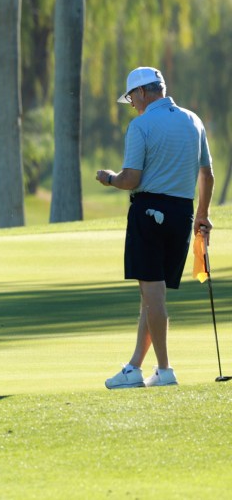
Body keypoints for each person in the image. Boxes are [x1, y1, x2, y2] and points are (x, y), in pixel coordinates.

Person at [96, 66, 213, 388]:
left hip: (148, 211)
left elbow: (131, 179)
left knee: (153, 294)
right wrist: (202, 214)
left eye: (132, 96)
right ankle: (134, 367)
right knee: (152, 296)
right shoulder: (194, 120)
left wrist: (108, 179)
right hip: (182, 215)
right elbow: (207, 175)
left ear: (144, 92)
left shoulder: (141, 125)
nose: (131, 103)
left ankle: (164, 369)